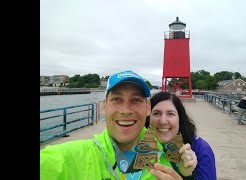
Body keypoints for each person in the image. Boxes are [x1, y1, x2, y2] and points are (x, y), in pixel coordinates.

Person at [40, 70, 190, 180]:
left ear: (148, 108)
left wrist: (187, 173)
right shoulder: (73, 157)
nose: (125, 110)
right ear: (104, 106)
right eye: (117, 99)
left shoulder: (163, 154)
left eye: (136, 100)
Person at [145, 92, 217, 180]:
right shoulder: (139, 146)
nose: (163, 121)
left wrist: (187, 175)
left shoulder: (200, 148)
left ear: (180, 119)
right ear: (148, 118)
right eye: (156, 113)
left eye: (171, 114)